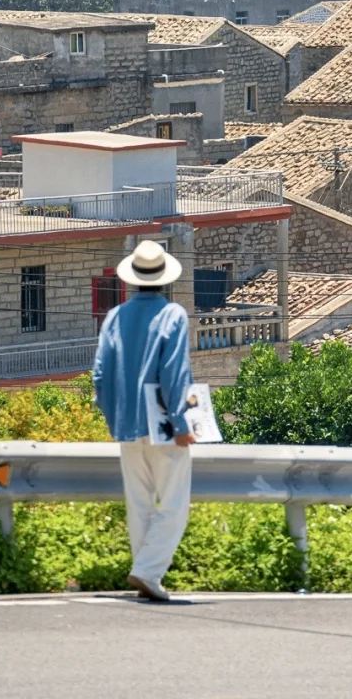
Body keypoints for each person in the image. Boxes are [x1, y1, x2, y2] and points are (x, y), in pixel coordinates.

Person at [93, 239, 195, 602]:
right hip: (164, 428)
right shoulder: (173, 315)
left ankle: (146, 574)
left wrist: (114, 420)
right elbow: (174, 374)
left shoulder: (115, 317)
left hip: (127, 426)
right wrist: (181, 424)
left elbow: (100, 378)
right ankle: (149, 571)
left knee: (139, 504)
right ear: (164, 279)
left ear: (132, 279)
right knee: (174, 504)